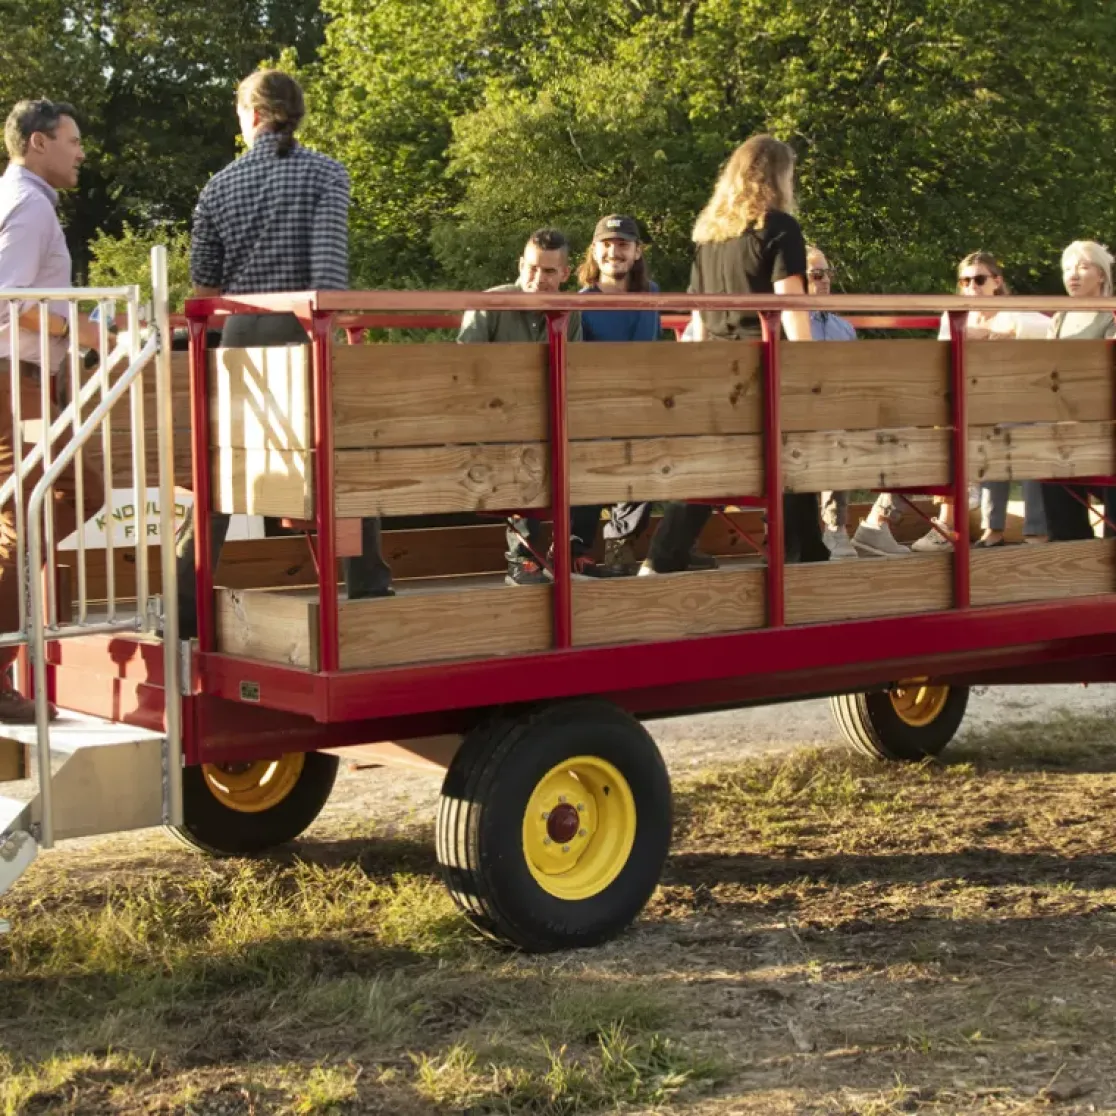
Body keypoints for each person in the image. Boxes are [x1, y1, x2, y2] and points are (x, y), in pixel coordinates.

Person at [180, 70, 392, 638]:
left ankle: (183, 601)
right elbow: (327, 276)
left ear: (249, 116)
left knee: (225, 471)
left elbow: (204, 284)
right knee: (339, 464)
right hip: (303, 340)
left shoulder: (217, 186)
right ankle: (366, 582)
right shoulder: (326, 173)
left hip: (241, 345)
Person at [641, 134, 829, 574]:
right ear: (779, 176)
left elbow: (698, 315)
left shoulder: (709, 238)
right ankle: (802, 556)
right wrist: (810, 366)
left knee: (716, 461)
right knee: (793, 456)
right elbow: (790, 305)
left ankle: (664, 555)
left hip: (718, 367)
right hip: (766, 364)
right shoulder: (779, 227)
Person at [0, 99, 107, 721]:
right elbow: (9, 297)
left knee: (42, 508)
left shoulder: (24, 198)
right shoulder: (28, 203)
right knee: (63, 496)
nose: (81, 151)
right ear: (39, 143)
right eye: (72, 139)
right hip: (13, 378)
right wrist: (85, 333)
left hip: (24, 377)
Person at [459, 228, 618, 585]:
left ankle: (572, 550)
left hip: (547, 416)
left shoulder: (569, 313)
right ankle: (522, 558)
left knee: (595, 443)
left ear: (564, 274)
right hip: (492, 421)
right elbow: (464, 370)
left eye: (548, 272)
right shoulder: (490, 303)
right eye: (532, 269)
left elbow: (570, 371)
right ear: (520, 265)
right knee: (529, 447)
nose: (537, 279)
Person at [577, 213, 716, 575]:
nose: (614, 252)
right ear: (594, 251)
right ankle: (614, 544)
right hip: (597, 408)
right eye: (606, 245)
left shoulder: (653, 294)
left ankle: (677, 543)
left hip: (648, 406)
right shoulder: (580, 303)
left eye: (623, 245)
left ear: (637, 252)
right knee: (626, 441)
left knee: (702, 436)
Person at [912, 251, 1051, 553]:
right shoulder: (957, 316)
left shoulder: (1012, 312)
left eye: (979, 279)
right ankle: (989, 527)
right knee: (961, 433)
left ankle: (1035, 530)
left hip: (1016, 400)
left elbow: (1048, 328)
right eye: (965, 280)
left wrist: (991, 335)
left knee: (1025, 434)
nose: (971, 286)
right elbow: (944, 357)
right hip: (972, 404)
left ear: (996, 282)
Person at [807, 245, 909, 559]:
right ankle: (834, 529)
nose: (825, 280)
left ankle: (878, 522)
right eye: (816, 274)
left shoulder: (843, 328)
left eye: (828, 273)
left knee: (910, 429)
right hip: (804, 416)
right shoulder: (784, 323)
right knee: (840, 433)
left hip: (845, 409)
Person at [1041, 241, 1116, 541]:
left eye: (1083, 267)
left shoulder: (1111, 314)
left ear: (1101, 275)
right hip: (1064, 418)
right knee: (1049, 468)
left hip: (1104, 419)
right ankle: (1068, 552)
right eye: (1067, 269)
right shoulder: (1060, 318)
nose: (1073, 275)